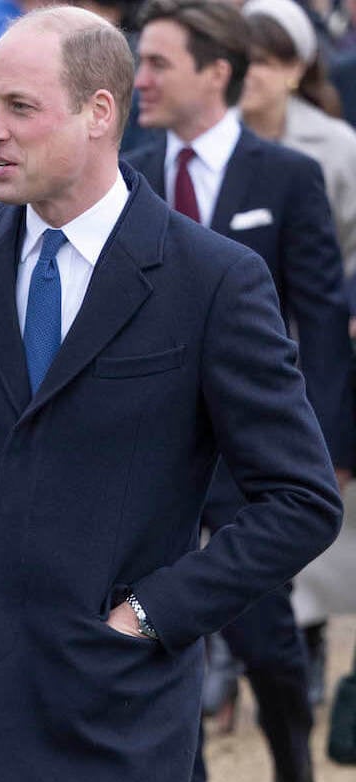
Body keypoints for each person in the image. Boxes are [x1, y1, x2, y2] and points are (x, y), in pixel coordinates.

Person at [0, 7, 342, 782]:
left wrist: (151, 617)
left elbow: (299, 499)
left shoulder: (212, 281)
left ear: (100, 114)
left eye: (21, 107)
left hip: (110, 722)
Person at [126, 1, 352, 782]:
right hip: (142, 453)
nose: (138, 78)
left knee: (265, 639)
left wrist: (324, 448)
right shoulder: (126, 171)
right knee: (153, 627)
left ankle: (295, 773)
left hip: (249, 449)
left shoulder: (287, 176)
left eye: (157, 63)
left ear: (215, 72)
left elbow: (321, 320)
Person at [239, 0, 356, 707]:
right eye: (239, 59)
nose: (247, 75)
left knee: (317, 480)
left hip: (323, 340)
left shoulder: (338, 145)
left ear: (295, 68)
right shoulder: (203, 145)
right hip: (239, 344)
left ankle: (305, 632)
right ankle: (239, 638)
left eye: (265, 60)